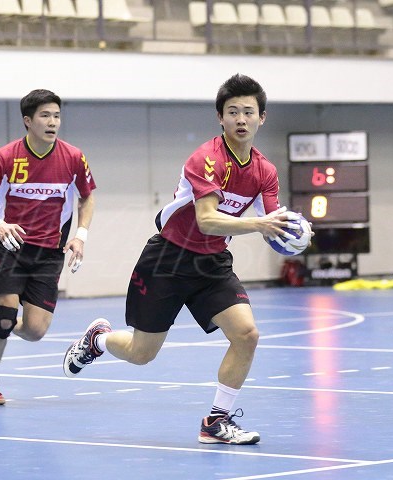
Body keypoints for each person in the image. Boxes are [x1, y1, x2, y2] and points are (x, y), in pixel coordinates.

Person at [63, 74, 305, 445]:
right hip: (168, 259)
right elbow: (207, 220)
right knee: (142, 353)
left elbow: (273, 222)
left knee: (247, 335)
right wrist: (260, 224)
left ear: (262, 118)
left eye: (248, 112)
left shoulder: (265, 172)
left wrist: (290, 233)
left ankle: (216, 421)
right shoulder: (206, 159)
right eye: (232, 112)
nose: (241, 119)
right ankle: (99, 340)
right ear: (220, 117)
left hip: (212, 263)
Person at [0, 89, 96, 405]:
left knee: (35, 331)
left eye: (56, 116)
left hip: (49, 253)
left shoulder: (73, 158)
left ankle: (4, 321)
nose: (52, 122)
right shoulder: (5, 157)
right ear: (28, 121)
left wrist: (80, 235)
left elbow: (87, 198)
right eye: (45, 116)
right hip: (9, 246)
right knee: (4, 318)